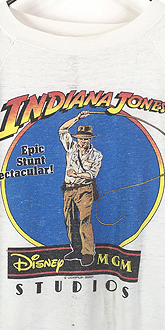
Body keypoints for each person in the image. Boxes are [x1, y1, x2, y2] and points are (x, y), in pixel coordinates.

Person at [58, 110, 103, 266]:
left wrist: (76, 174)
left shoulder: (97, 155)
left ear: (90, 139)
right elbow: (62, 129)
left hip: (84, 190)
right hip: (68, 189)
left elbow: (91, 174)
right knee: (70, 221)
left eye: (86, 139)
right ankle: (76, 249)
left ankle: (88, 253)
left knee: (84, 221)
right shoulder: (71, 147)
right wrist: (77, 118)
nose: (83, 141)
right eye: (81, 138)